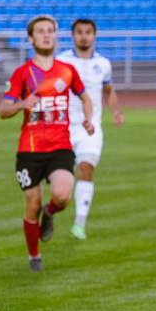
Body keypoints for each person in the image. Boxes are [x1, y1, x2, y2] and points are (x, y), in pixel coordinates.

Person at [0, 15, 94, 272]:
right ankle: (34, 256)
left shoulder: (67, 71)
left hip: (60, 146)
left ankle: (50, 212)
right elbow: (3, 110)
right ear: (31, 39)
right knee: (31, 205)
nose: (46, 35)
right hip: (29, 150)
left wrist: (87, 120)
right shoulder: (23, 74)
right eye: (40, 31)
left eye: (50, 31)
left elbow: (86, 98)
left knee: (63, 196)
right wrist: (21, 104)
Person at [56, 18, 124, 240]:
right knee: (59, 181)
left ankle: (79, 224)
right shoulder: (61, 61)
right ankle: (50, 212)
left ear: (94, 36)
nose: (84, 36)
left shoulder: (103, 64)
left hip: (90, 128)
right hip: (63, 127)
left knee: (86, 168)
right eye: (79, 32)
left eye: (88, 32)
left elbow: (109, 90)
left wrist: (115, 112)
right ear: (72, 35)